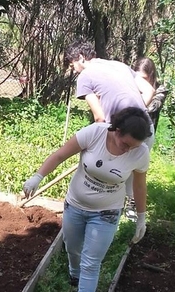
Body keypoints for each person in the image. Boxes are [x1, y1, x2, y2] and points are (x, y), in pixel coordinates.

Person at [23, 107, 152, 292]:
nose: (128, 150)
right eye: (125, 144)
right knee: (72, 248)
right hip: (75, 205)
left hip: (107, 213)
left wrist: (141, 217)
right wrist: (37, 177)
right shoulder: (95, 133)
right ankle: (74, 272)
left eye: (134, 146)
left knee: (91, 263)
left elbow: (139, 186)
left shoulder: (140, 153)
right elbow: (60, 155)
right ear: (116, 130)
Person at [64, 40, 155, 221]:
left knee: (108, 177)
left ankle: (105, 217)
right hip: (144, 130)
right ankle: (128, 215)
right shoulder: (118, 65)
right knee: (128, 176)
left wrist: (93, 144)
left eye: (72, 64)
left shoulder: (85, 76)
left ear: (81, 57)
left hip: (120, 134)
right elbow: (149, 90)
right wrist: (133, 117)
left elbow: (99, 118)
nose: (73, 69)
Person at [133, 57, 168, 133]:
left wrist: (148, 92)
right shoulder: (131, 86)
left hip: (146, 133)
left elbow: (152, 108)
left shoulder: (160, 90)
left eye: (144, 78)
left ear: (151, 76)